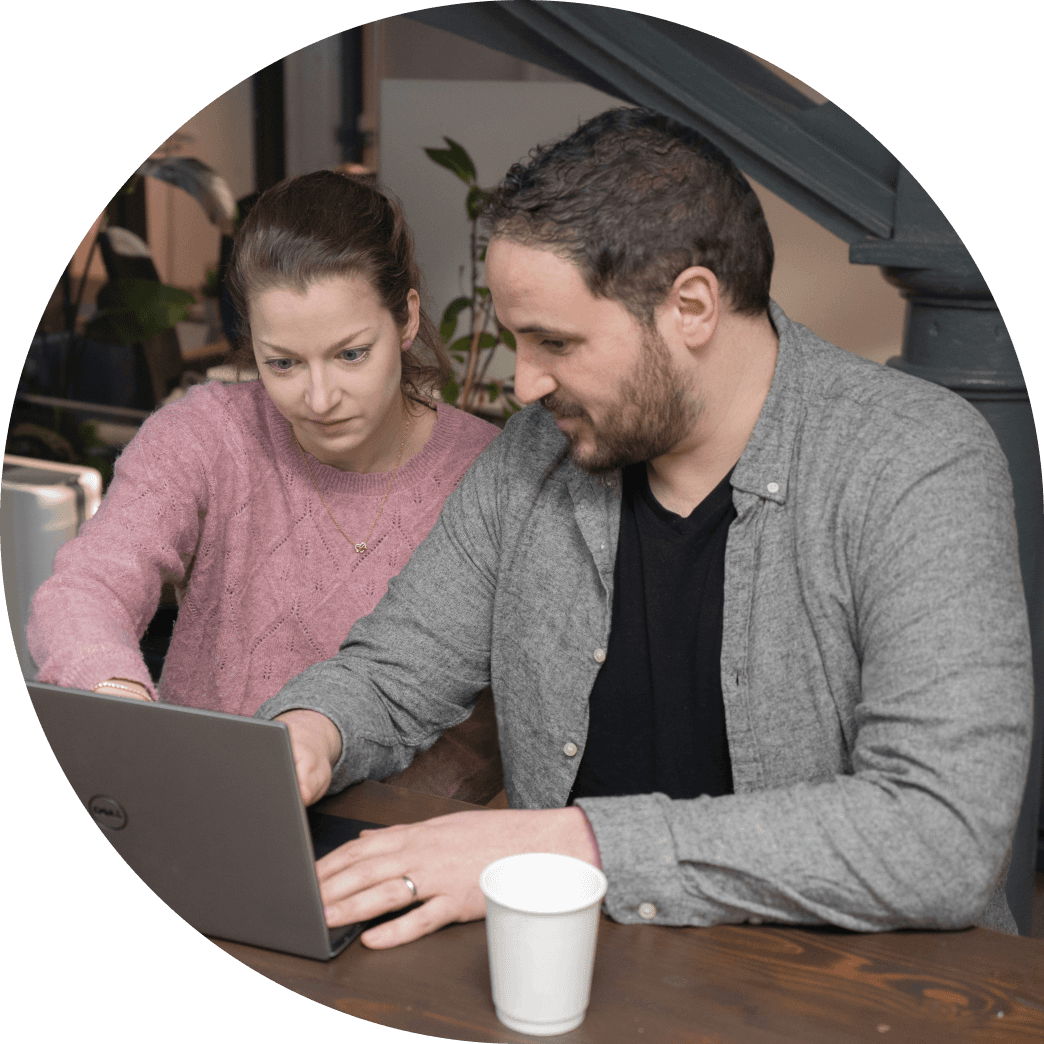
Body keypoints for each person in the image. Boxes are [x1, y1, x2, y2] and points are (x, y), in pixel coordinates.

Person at [257, 109, 1033, 948]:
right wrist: (312, 731)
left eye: (555, 342)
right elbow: (394, 671)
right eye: (518, 341)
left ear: (691, 306)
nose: (524, 384)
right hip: (579, 971)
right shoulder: (531, 458)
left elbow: (941, 834)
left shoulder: (917, 460)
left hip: (852, 989)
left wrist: (569, 847)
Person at [27, 171, 500, 756]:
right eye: (283, 363)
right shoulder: (206, 434)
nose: (319, 399)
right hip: (205, 787)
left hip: (404, 807)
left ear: (406, 319)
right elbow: (85, 586)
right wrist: (117, 697)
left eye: (351, 354)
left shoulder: (486, 472)